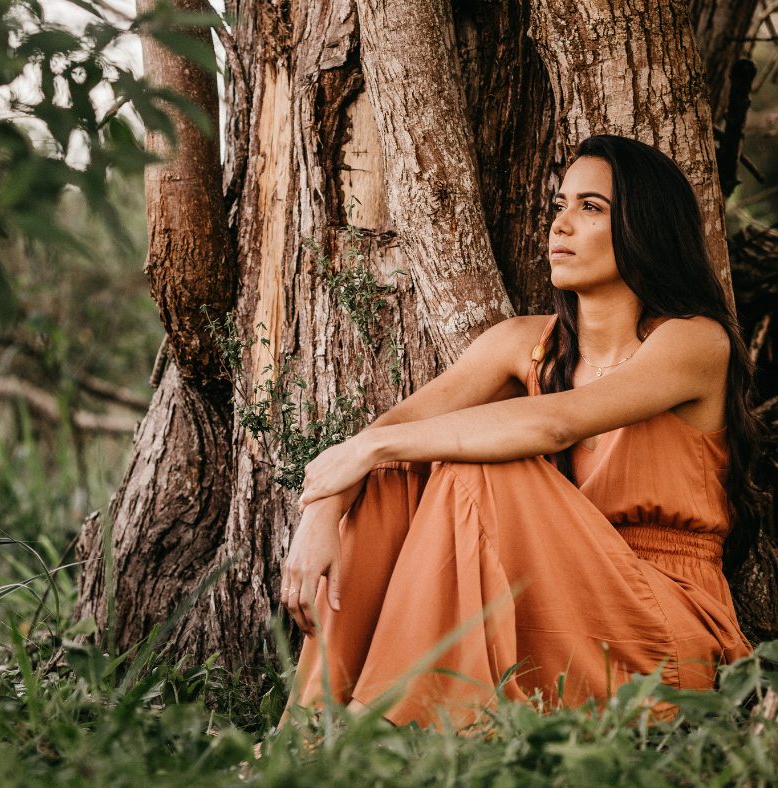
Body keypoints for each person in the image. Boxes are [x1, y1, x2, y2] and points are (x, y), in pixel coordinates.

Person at [279, 134, 764, 732]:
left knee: (472, 462)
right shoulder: (523, 343)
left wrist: (369, 448)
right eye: (559, 205)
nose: (561, 225)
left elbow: (552, 422)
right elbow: (396, 430)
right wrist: (324, 507)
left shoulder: (693, 341)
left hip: (659, 628)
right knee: (392, 473)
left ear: (647, 227)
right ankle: (311, 728)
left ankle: (382, 725)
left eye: (591, 208)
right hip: (550, 601)